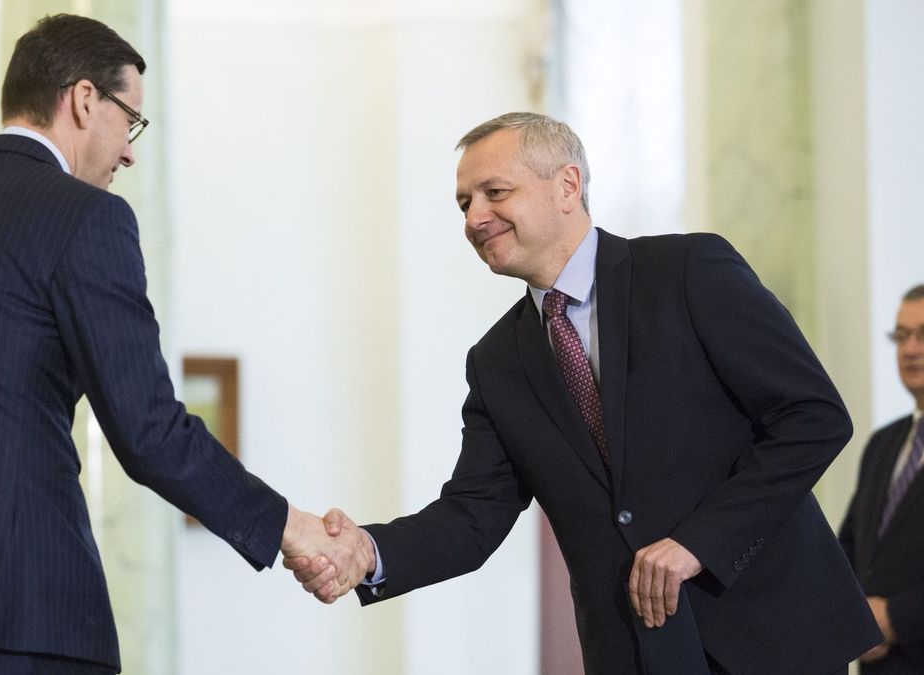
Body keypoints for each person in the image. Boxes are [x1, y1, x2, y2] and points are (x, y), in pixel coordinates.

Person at [0, 14, 366, 674]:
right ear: (84, 99)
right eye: (130, 121)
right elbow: (149, 430)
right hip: (14, 609)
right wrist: (292, 528)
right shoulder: (89, 217)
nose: (130, 151)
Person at [287, 112, 882, 674]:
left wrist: (696, 544)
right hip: (634, 651)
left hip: (775, 632)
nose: (474, 218)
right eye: (465, 203)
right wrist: (368, 552)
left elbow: (813, 418)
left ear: (567, 185)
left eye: (495, 193)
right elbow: (473, 516)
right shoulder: (496, 362)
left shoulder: (687, 270)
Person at [839, 284, 924, 673]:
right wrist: (851, 616)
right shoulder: (883, 444)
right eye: (901, 335)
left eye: (923, 335)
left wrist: (894, 616)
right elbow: (850, 548)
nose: (909, 349)